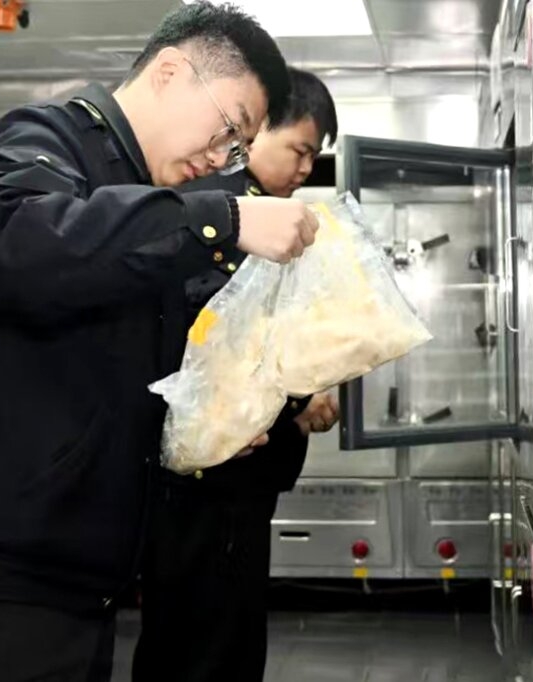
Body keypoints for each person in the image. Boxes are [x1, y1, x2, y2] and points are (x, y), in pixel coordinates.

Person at [0, 3, 322, 681]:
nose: (219, 158)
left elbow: (105, 371)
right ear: (171, 72)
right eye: (228, 128)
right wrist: (224, 218)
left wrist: (210, 422)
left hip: (70, 584)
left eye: (236, 149)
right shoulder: (39, 137)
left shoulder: (138, 196)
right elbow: (27, 250)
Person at [131, 67, 341, 682]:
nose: (306, 169)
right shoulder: (225, 217)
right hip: (209, 484)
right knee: (206, 647)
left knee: (219, 639)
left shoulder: (260, 216)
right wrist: (299, 396)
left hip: (236, 481)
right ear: (260, 127)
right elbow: (214, 346)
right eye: (300, 149)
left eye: (315, 156)